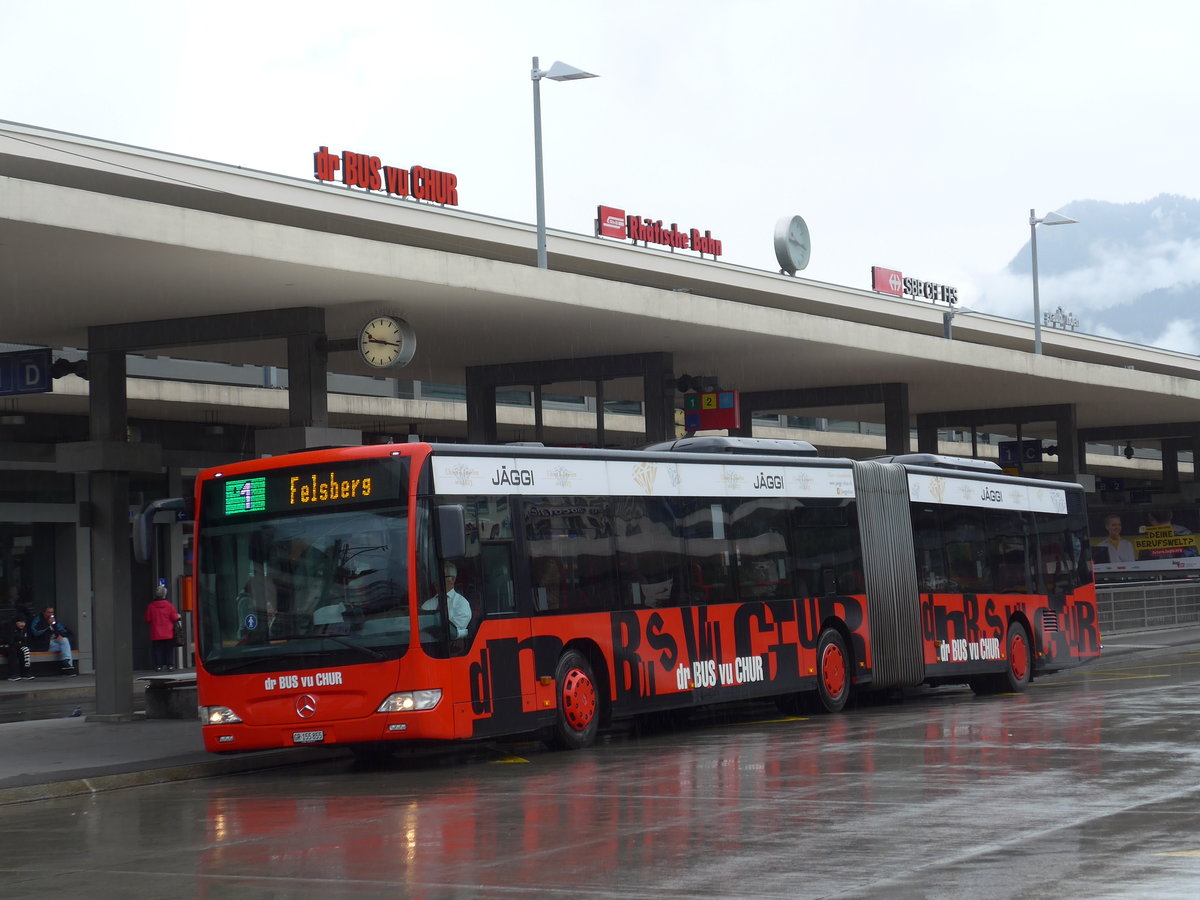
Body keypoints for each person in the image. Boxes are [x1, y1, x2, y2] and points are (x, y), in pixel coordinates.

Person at [422, 562, 471, 639]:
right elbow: (421, 627)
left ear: (453, 579)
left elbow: (453, 631)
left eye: (441, 577)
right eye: (436, 577)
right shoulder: (427, 604)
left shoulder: (462, 603)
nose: (436, 581)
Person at [144, 583, 181, 671]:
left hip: (156, 632)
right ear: (164, 595)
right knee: (169, 650)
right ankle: (170, 665)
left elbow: (147, 618)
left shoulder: (151, 606)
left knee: (158, 650)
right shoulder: (169, 605)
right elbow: (174, 617)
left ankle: (158, 666)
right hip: (168, 632)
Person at [30, 606, 76, 675]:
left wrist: (61, 635)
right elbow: (36, 632)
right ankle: (68, 668)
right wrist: (47, 624)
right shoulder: (38, 619)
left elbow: (63, 630)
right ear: (44, 613)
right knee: (66, 649)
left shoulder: (53, 620)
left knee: (65, 640)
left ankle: (67, 664)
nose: (50, 614)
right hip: (43, 645)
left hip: (53, 643)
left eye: (52, 612)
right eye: (48, 612)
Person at [2, 614, 34, 681]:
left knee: (26, 649)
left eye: (24, 622)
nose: (23, 624)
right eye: (21, 622)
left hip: (15, 646)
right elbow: (10, 641)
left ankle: (25, 673)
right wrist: (19, 642)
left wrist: (19, 643)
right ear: (16, 622)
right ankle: (12, 674)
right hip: (4, 646)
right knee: (12, 651)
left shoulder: (23, 629)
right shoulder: (10, 628)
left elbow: (24, 641)